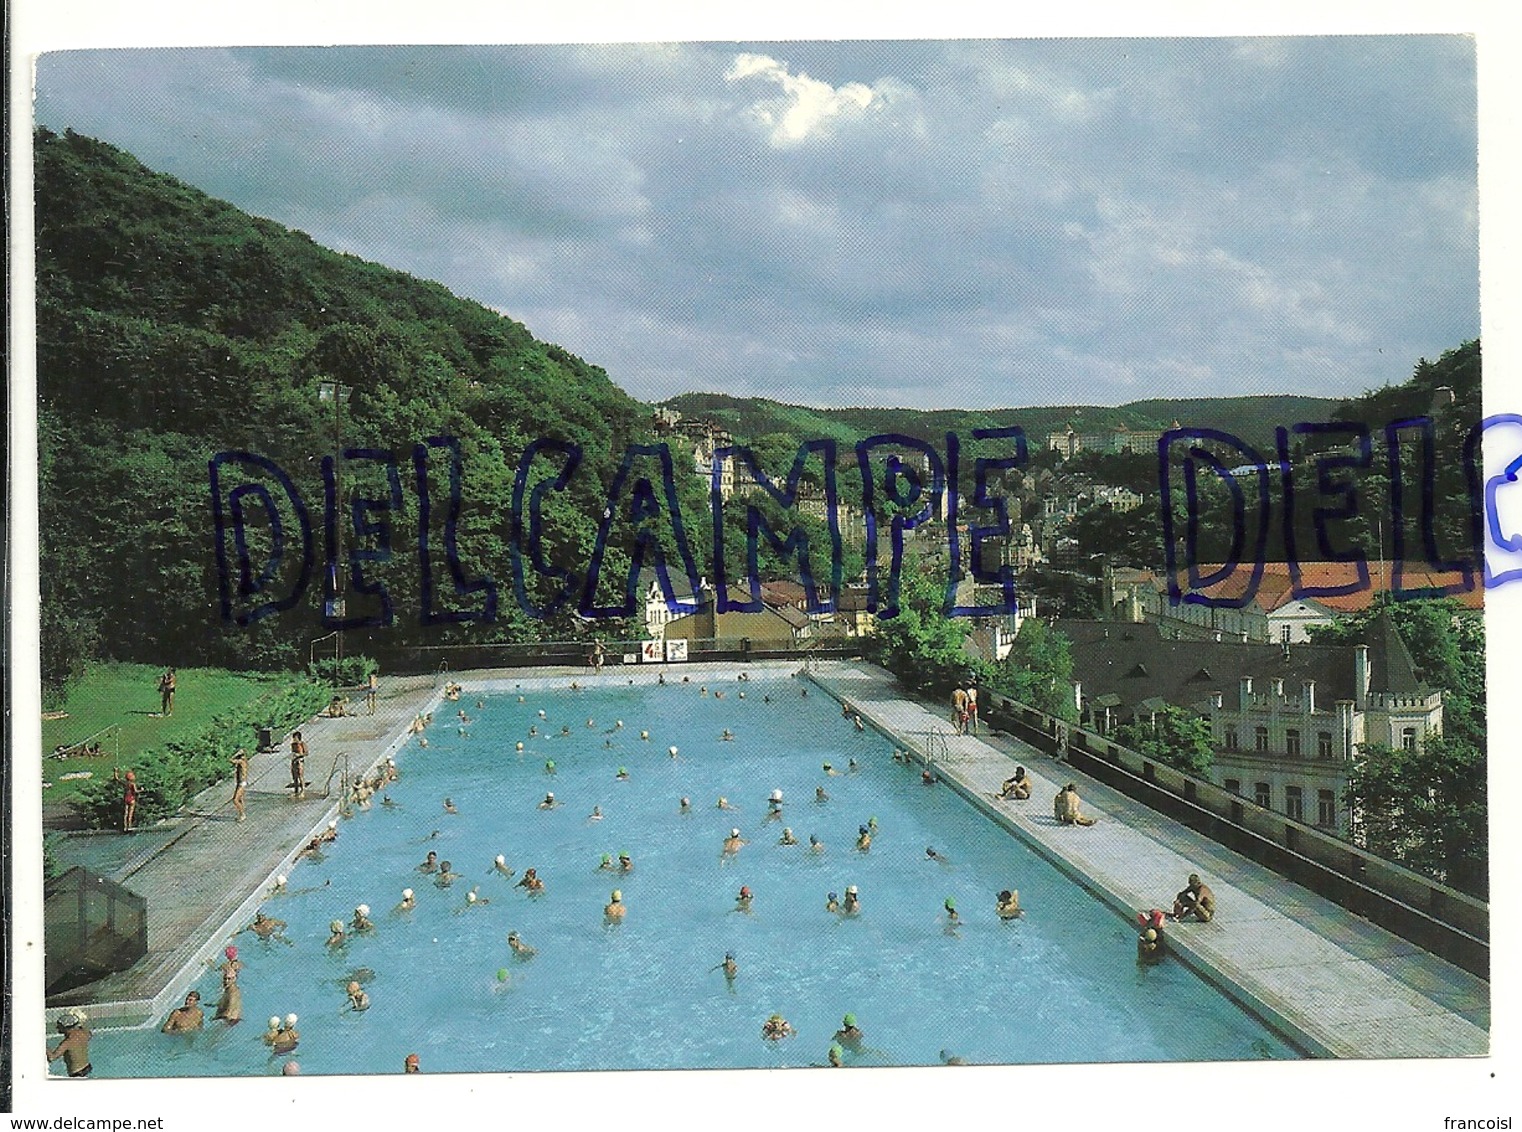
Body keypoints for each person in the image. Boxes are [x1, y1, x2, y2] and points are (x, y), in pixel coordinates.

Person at [47, 1010, 92, 1076]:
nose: (57, 1028)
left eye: (59, 1026)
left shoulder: (67, 1043)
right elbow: (89, 1034)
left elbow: (52, 1058)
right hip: (87, 1068)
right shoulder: (85, 1033)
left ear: (66, 1027)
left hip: (77, 1074)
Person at [216, 945, 243, 1022]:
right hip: (234, 981)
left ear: (226, 956)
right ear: (236, 954)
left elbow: (216, 970)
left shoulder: (225, 965)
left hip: (230, 1018)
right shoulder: (240, 964)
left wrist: (210, 963)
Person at [230, 748, 250, 822]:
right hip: (240, 782)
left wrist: (235, 754)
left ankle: (242, 814)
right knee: (240, 799)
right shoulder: (244, 761)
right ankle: (241, 814)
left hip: (242, 783)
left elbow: (231, 760)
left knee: (235, 800)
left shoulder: (241, 762)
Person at [116, 768, 138, 833]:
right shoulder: (132, 784)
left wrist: (116, 771)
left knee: (125, 813)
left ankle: (125, 827)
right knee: (130, 813)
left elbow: (117, 779)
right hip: (131, 799)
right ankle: (129, 826)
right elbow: (135, 791)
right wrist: (142, 790)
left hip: (126, 799)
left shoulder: (124, 783)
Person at [289, 732, 309, 796]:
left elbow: (306, 753)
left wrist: (299, 754)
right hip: (294, 760)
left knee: (300, 775)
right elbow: (293, 752)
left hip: (300, 760)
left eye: (295, 738)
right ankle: (296, 789)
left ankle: (303, 789)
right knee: (294, 776)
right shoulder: (293, 744)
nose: (294, 739)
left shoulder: (302, 744)